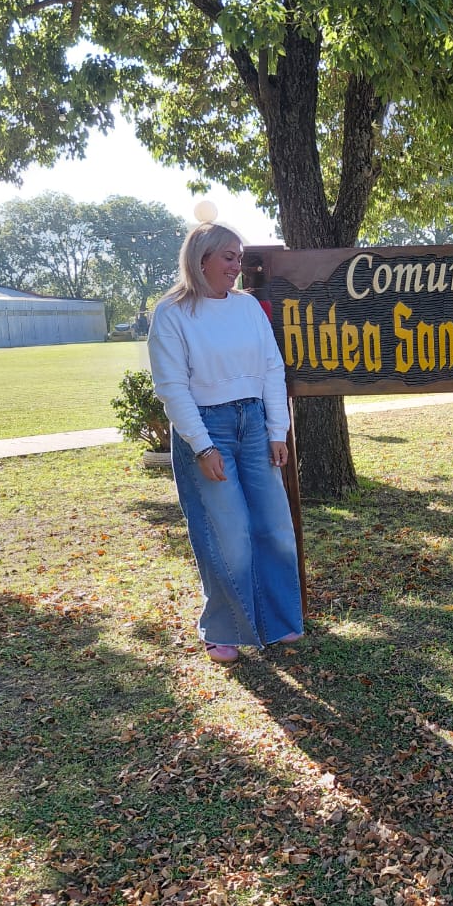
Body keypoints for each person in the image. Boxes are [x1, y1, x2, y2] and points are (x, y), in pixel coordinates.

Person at [148, 222, 304, 664]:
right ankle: (224, 629)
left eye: (239, 258)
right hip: (207, 430)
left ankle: (279, 621)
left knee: (274, 527)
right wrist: (201, 446)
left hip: (254, 424)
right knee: (227, 533)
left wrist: (278, 431)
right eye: (229, 258)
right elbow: (172, 387)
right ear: (201, 261)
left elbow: (272, 369)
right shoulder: (172, 312)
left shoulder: (248, 308)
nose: (238, 266)